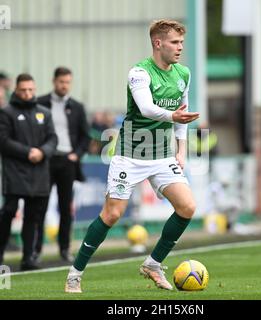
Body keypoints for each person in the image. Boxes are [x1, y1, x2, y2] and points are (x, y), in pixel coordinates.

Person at [65, 19, 200, 293]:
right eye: (174, 42)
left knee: (187, 207)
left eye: (182, 43)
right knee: (112, 214)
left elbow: (182, 115)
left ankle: (152, 264)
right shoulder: (139, 73)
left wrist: (181, 151)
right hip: (130, 155)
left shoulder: (183, 73)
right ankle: (75, 273)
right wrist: (172, 115)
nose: (179, 48)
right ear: (157, 43)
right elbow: (147, 108)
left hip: (162, 155)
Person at [0, 74, 57, 270]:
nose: (27, 93)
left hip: (38, 172)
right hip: (15, 172)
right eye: (23, 90)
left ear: (35, 89)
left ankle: (28, 258)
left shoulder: (44, 113)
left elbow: (53, 139)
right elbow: (4, 141)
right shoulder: (6, 113)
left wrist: (42, 151)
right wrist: (28, 152)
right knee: (7, 212)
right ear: (16, 90)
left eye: (30, 90)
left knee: (33, 217)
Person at [34, 67, 90, 262]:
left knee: (66, 207)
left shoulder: (77, 107)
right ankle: (36, 250)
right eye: (61, 82)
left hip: (67, 161)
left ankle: (65, 249)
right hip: (46, 161)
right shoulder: (40, 103)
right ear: (54, 81)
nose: (64, 85)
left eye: (67, 82)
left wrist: (77, 154)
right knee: (39, 206)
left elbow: (86, 136)